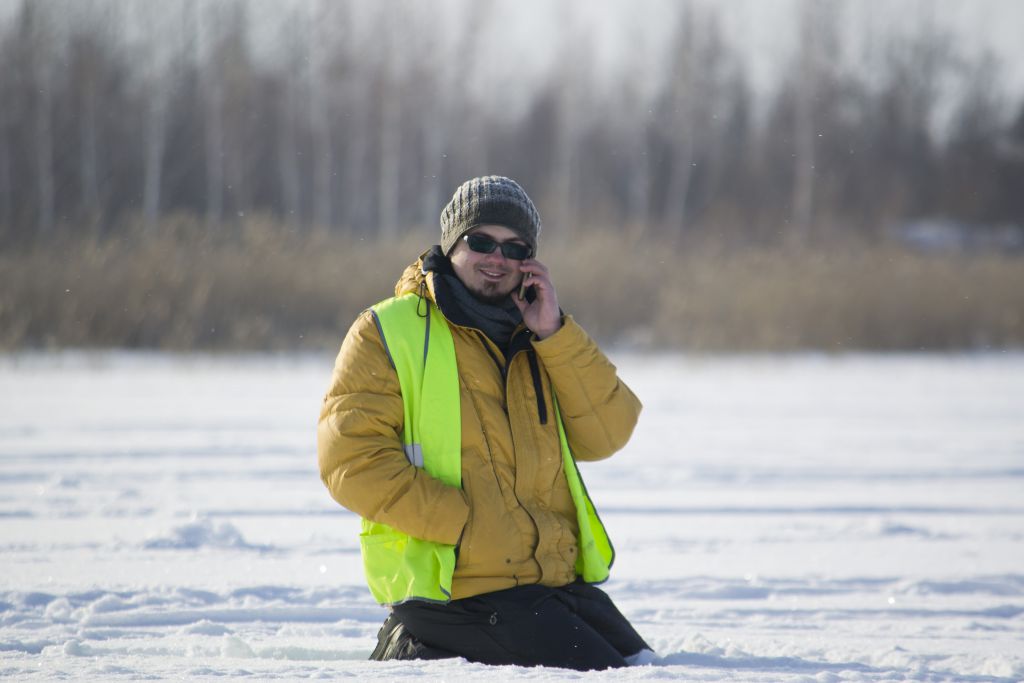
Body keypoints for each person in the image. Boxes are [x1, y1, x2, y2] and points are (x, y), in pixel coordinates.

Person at [317, 175, 653, 670]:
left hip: (546, 581)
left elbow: (609, 432)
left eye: (515, 248)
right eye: (481, 242)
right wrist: (462, 525)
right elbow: (350, 461)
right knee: (612, 675)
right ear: (452, 243)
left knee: (644, 664)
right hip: (456, 588)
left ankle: (426, 646)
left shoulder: (540, 333)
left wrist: (555, 334)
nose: (498, 258)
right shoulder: (388, 329)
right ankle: (420, 637)